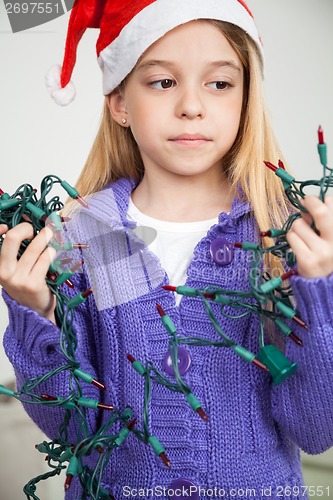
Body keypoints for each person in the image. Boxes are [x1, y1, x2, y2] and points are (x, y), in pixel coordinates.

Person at [1, 1, 333, 498]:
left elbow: (316, 430)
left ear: (246, 98)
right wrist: (36, 316)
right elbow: (73, 429)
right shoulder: (91, 234)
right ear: (119, 102)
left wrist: (320, 296)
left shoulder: (278, 238)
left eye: (219, 83)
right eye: (163, 82)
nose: (192, 106)